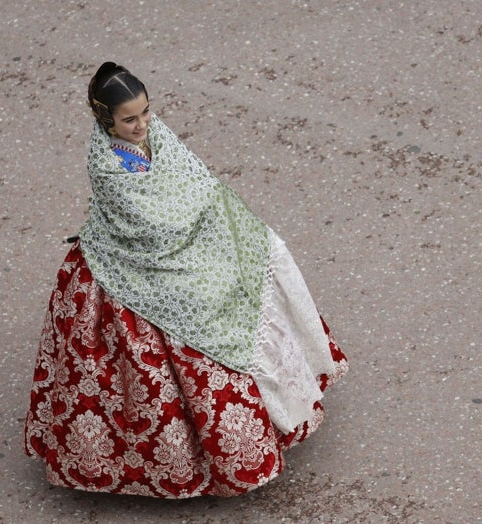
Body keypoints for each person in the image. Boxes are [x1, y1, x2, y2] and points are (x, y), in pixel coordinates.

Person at [23, 62, 348, 498]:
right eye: (129, 119)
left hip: (180, 247)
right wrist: (203, 224)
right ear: (106, 120)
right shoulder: (108, 168)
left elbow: (195, 182)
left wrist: (215, 225)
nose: (142, 125)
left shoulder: (153, 135)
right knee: (196, 324)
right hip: (132, 265)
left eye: (145, 113)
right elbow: (155, 225)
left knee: (244, 283)